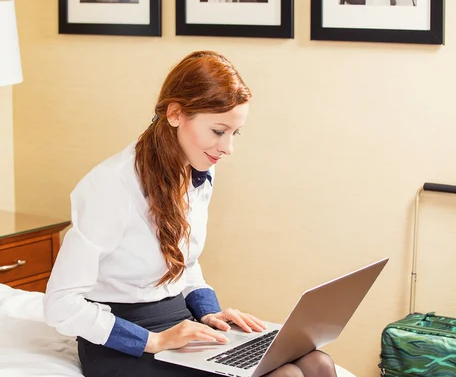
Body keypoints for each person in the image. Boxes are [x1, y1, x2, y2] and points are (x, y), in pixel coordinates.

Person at [43, 51, 337, 377]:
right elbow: (60, 305)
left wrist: (209, 313)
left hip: (180, 320)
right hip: (123, 339)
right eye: (218, 131)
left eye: (234, 133)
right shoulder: (110, 185)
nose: (228, 148)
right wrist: (154, 341)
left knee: (317, 362)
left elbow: (186, 264)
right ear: (175, 114)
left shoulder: (198, 170)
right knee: (287, 375)